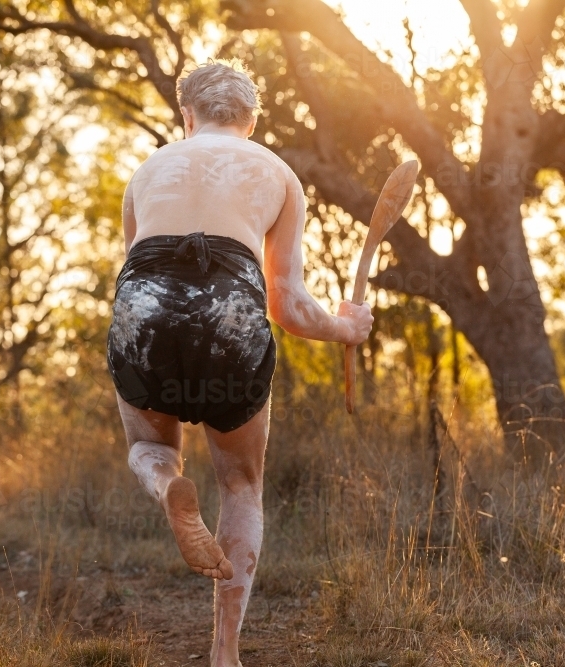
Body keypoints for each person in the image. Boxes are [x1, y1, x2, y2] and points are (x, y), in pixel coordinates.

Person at [105, 59, 374, 667]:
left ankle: (168, 484)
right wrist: (346, 327)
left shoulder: (147, 171)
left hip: (144, 307)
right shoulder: (277, 172)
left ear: (187, 115)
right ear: (251, 120)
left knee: (148, 449)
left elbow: (138, 275)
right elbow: (291, 309)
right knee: (241, 485)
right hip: (230, 310)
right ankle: (224, 651)